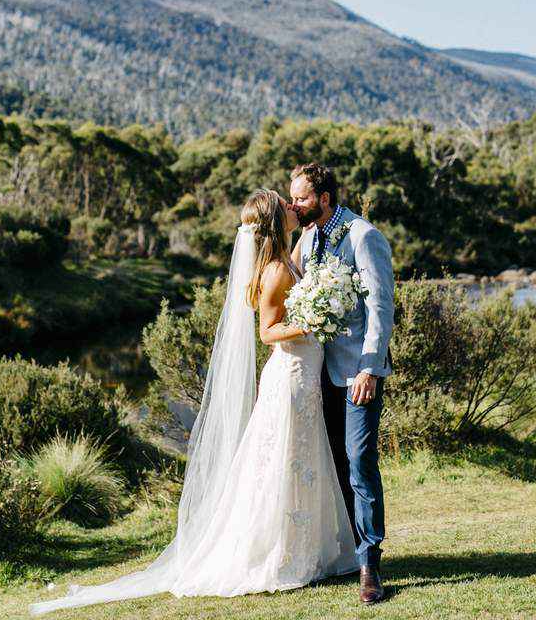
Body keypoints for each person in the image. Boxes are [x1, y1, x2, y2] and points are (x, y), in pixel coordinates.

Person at [30, 188, 359, 616]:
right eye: (286, 205)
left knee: (298, 459)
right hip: (292, 376)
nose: (293, 208)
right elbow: (268, 332)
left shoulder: (286, 258)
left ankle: (306, 550)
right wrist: (313, 322)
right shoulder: (276, 270)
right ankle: (281, 555)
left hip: (303, 378)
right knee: (284, 460)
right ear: (277, 221)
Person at [289, 163, 394, 605]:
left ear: (325, 198)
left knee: (359, 460)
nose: (295, 206)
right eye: (292, 199)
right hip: (318, 372)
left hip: (357, 372)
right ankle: (348, 554)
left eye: (301, 199)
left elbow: (380, 307)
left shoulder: (362, 235)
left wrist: (369, 368)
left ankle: (370, 562)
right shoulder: (308, 238)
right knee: (332, 463)